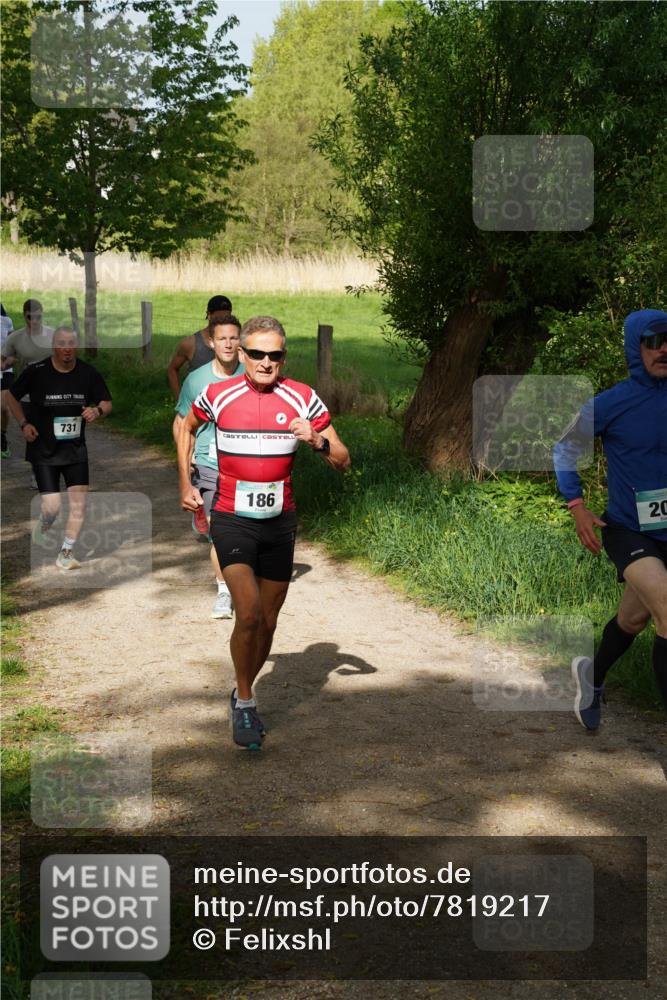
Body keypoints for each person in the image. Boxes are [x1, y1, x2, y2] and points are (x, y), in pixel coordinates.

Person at [177, 316, 350, 749]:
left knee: (269, 621)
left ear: (284, 357)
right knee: (249, 613)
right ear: (242, 353)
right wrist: (186, 482)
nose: (266, 362)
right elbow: (185, 427)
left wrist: (316, 440)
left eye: (275, 355)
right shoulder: (218, 394)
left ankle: (240, 690)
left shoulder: (302, 397)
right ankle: (248, 702)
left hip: (280, 522)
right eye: (257, 353)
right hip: (232, 518)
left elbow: (344, 459)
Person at [554, 309, 667, 730]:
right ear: (636, 348)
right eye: (654, 341)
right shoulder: (612, 403)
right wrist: (577, 505)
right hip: (628, 529)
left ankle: (593, 675)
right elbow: (564, 449)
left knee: (633, 619)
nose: (664, 349)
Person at [6, 326, 112, 571]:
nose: (67, 349)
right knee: (52, 506)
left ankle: (66, 551)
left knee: (79, 504)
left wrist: (97, 410)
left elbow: (107, 402)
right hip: (43, 449)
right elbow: (11, 396)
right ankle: (45, 522)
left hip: (75, 450)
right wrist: (23, 424)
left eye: (71, 344)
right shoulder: (37, 372)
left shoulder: (88, 373)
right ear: (54, 346)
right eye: (62, 344)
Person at [173, 315, 245, 619]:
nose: (228, 344)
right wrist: (185, 478)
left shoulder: (253, 374)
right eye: (222, 338)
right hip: (209, 464)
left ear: (240, 341)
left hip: (247, 468)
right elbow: (181, 424)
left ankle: (246, 579)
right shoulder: (197, 380)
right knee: (220, 531)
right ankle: (224, 592)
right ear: (211, 342)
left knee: (246, 530)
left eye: (233, 338)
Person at [1, 299, 56, 484]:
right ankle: (37, 472)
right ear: (25, 316)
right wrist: (6, 363)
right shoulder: (15, 338)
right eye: (31, 317)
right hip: (27, 394)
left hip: (53, 391)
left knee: (52, 431)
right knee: (33, 432)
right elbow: (3, 359)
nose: (35, 320)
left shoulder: (53, 335)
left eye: (39, 316)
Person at [167, 295, 233, 401]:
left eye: (226, 318)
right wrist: (180, 400)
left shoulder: (236, 344)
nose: (222, 322)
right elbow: (172, 370)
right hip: (198, 410)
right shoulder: (190, 344)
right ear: (209, 315)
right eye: (218, 318)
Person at [1, 304, 15, 457]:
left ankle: (2, 436)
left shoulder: (6, 321)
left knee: (4, 408)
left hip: (5, 370)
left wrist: (7, 362)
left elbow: (13, 346)